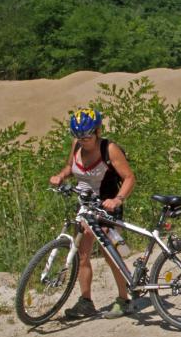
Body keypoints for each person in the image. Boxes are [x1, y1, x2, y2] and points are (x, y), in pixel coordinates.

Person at [49, 108, 137, 320]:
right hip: (85, 205)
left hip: (107, 206)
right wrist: (61, 176)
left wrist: (118, 199)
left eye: (87, 136)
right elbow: (70, 167)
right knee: (82, 254)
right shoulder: (77, 145)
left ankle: (124, 299)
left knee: (110, 255)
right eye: (79, 136)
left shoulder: (110, 149)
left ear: (97, 131)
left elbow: (129, 178)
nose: (83, 140)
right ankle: (86, 301)